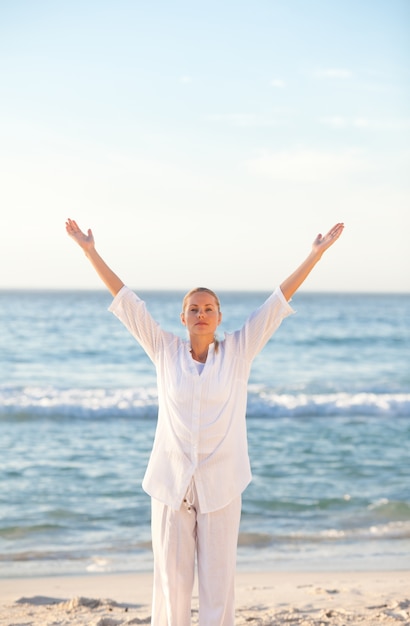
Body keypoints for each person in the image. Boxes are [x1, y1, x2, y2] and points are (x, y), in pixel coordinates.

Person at [65, 218, 344, 626]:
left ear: (218, 317)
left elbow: (277, 302)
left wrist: (314, 255)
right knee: (170, 588)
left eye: (208, 308)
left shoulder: (239, 351)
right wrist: (89, 251)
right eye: (193, 309)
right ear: (182, 318)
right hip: (170, 484)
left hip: (222, 485)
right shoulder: (164, 350)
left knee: (218, 589)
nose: (201, 313)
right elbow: (126, 302)